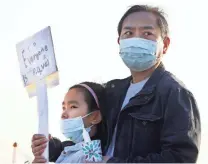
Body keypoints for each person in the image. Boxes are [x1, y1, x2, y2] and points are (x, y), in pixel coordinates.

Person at [31, 5, 201, 163]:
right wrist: (52, 148)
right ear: (119, 42)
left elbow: (179, 158)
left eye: (147, 33)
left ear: (165, 45)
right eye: (128, 33)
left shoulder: (175, 94)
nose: (136, 39)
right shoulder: (112, 92)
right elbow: (92, 143)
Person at [32, 82, 107, 163]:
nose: (63, 114)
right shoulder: (71, 151)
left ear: (94, 116)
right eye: (64, 108)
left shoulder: (91, 155)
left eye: (73, 107)